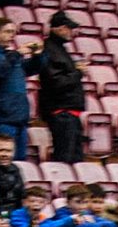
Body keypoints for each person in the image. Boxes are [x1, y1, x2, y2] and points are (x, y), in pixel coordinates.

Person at [0, 20, 41, 157]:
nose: (12, 36)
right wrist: (16, 54)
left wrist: (38, 56)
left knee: (19, 162)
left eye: (13, 32)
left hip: (20, 116)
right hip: (3, 116)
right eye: (8, 32)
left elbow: (31, 68)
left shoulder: (10, 56)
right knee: (6, 158)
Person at [37, 11, 86, 164]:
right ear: (59, 29)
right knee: (65, 158)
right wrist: (78, 73)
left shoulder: (57, 49)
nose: (71, 32)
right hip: (62, 112)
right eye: (68, 28)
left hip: (68, 112)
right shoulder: (50, 50)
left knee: (74, 157)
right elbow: (56, 82)